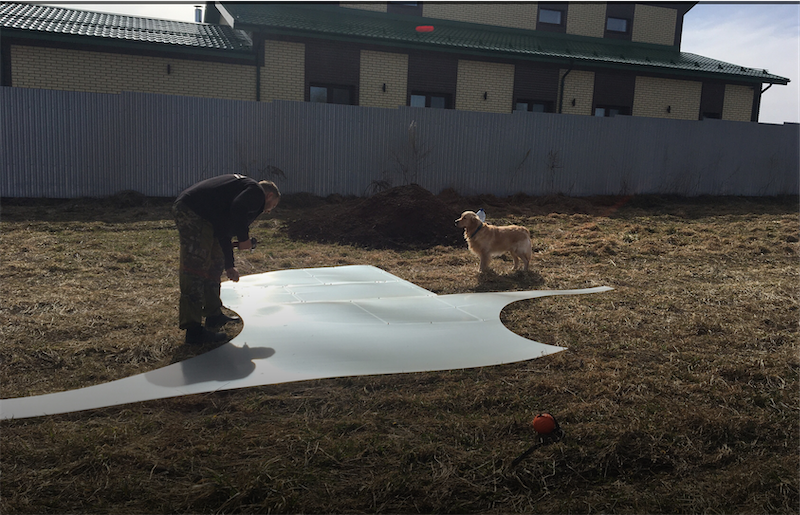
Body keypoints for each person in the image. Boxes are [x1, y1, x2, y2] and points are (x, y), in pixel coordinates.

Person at [172, 174, 280, 345]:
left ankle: (213, 315)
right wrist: (244, 238)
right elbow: (239, 209)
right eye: (271, 207)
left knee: (215, 264)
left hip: (207, 218)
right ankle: (193, 332)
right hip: (193, 211)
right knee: (195, 267)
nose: (267, 211)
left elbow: (224, 234)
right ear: (269, 196)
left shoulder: (234, 197)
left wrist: (229, 266)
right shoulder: (255, 191)